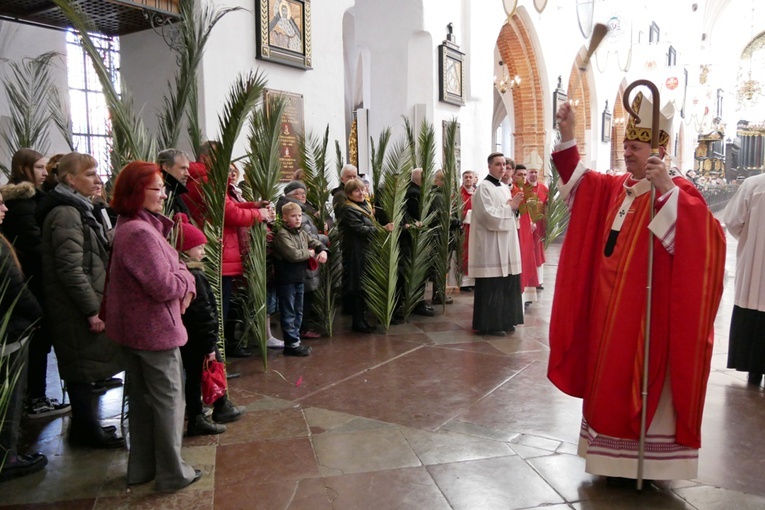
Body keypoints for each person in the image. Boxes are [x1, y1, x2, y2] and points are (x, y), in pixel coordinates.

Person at [548, 93, 725, 484]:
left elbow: (704, 241)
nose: (628, 153)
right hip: (607, 309)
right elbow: (579, 183)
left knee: (639, 377)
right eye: (626, 146)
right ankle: (611, 459)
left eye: (637, 147)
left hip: (648, 313)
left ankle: (644, 463)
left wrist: (667, 192)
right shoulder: (616, 186)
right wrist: (568, 133)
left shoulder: (675, 187)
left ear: (658, 150)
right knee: (608, 379)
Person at [105, 161, 202, 490]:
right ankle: (173, 473)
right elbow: (163, 285)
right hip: (153, 330)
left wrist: (181, 273)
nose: (164, 195)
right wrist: (188, 278)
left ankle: (144, 469)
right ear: (136, 192)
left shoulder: (133, 226)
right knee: (169, 402)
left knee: (146, 403)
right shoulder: (139, 232)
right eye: (157, 189)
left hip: (139, 329)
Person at [37, 152, 124, 449]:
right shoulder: (66, 214)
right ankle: (86, 432)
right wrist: (91, 309)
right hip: (73, 307)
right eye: (89, 174)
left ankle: (87, 428)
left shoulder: (81, 208)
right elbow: (70, 268)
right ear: (69, 179)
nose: (97, 180)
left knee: (85, 368)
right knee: (80, 369)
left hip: (84, 302)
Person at [1, 149, 70, 419]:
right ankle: (36, 398)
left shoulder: (30, 200)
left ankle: (35, 395)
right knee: (38, 341)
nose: (45, 172)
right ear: (23, 169)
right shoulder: (23, 202)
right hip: (32, 280)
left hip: (33, 278)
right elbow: (32, 245)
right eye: (39, 167)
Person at [174, 214, 238, 436]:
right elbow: (203, 312)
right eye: (199, 247)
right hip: (198, 337)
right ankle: (198, 416)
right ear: (185, 249)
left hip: (191, 336)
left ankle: (213, 408)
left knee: (195, 374)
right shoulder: (194, 275)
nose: (203, 251)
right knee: (197, 375)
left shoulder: (185, 271)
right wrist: (210, 343)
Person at [0, 191, 48, 483]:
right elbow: (15, 288)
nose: (5, 208)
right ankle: (8, 456)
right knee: (11, 396)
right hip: (9, 332)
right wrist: (39, 315)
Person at [468, 153, 524, 336]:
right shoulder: (483, 188)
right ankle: (490, 324)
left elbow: (510, 211)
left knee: (507, 281)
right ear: (489, 166)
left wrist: (515, 208)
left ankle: (507, 319)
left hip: (506, 243)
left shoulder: (504, 188)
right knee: (493, 284)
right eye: (498, 164)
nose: (502, 168)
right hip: (490, 245)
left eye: (504, 165)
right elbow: (489, 216)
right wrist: (511, 207)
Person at [723, 172, 765, 386]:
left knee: (753, 304)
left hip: (756, 264)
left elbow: (732, 220)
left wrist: (748, 239)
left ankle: (754, 371)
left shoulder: (754, 184)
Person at [273, 202, 327, 356]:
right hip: (287, 279)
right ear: (284, 218)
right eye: (293, 216)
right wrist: (309, 253)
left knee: (298, 310)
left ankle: (295, 341)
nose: (297, 219)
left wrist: (322, 249)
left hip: (299, 277)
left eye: (299, 215)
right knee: (289, 311)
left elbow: (314, 241)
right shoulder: (283, 235)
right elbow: (293, 255)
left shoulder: (301, 232)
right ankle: (290, 343)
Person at [340, 178, 394, 333]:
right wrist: (382, 229)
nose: (361, 193)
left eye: (363, 189)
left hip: (366, 250)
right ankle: (357, 322)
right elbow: (360, 229)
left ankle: (362, 319)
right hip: (355, 252)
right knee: (357, 285)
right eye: (357, 190)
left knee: (364, 286)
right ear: (349, 193)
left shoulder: (363, 205)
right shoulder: (348, 209)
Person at [511, 164, 540, 306]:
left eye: (524, 175)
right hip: (518, 229)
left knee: (528, 258)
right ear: (513, 176)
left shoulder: (526, 190)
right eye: (519, 175)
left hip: (526, 228)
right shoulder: (513, 190)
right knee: (521, 258)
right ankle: (520, 294)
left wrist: (531, 220)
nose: (522, 177)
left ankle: (527, 295)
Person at [526, 163, 549, 290]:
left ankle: (539, 281)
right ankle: (529, 280)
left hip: (539, 226)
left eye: (535, 172)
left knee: (538, 252)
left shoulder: (544, 188)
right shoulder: (522, 188)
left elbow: (548, 207)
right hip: (526, 225)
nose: (534, 174)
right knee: (528, 251)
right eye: (531, 172)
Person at [157, 149, 191, 217]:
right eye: (182, 168)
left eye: (187, 169)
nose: (188, 174)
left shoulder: (173, 191)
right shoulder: (162, 194)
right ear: (166, 167)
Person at [458, 170, 476, 291]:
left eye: (470, 177)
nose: (468, 179)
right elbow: (455, 211)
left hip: (476, 228)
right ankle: (464, 283)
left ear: (475, 179)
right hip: (464, 228)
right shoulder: (458, 194)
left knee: (474, 253)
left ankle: (474, 282)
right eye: (466, 177)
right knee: (465, 253)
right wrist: (469, 213)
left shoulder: (477, 192)